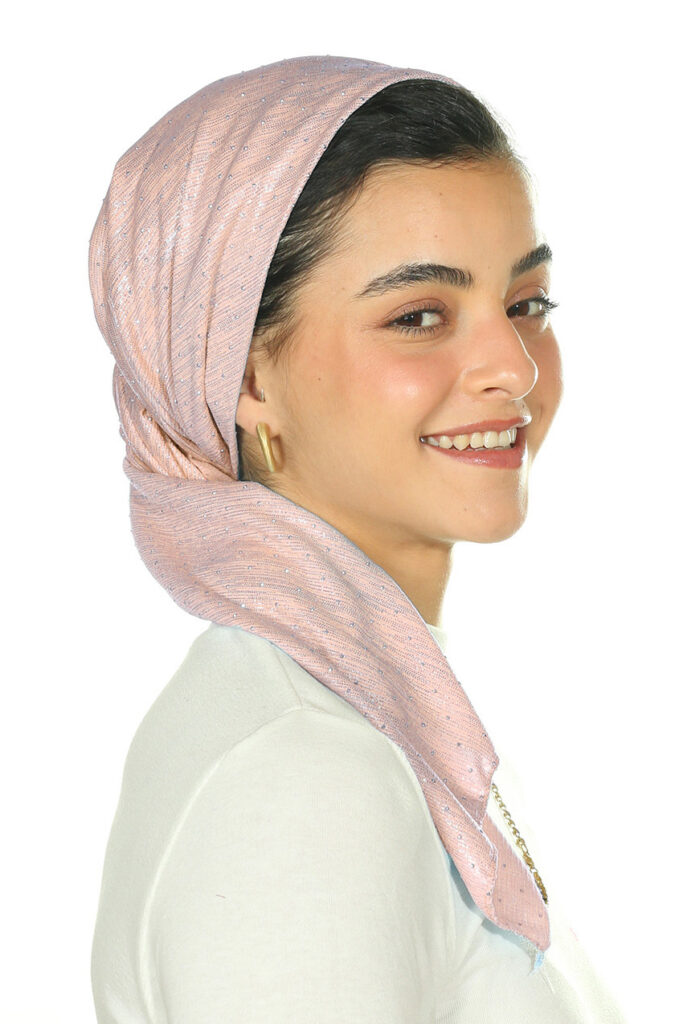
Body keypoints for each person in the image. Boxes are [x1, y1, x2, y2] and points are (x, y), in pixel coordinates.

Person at [88, 54, 627, 1023]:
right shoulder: (301, 768)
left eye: (525, 304)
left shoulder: (364, 718)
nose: (511, 366)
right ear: (246, 376)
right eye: (419, 315)